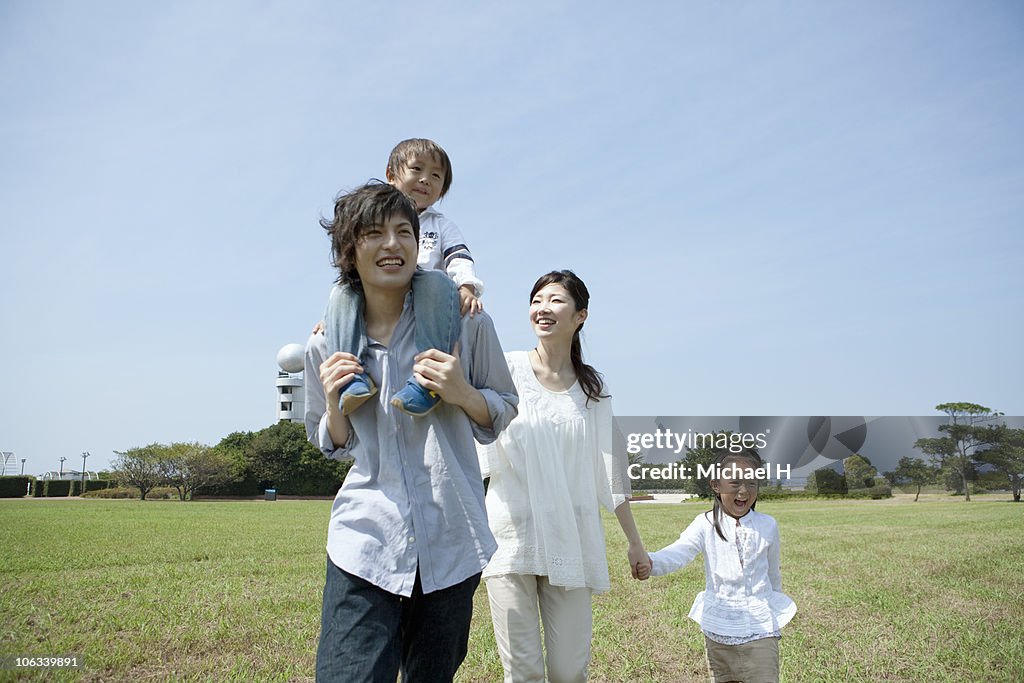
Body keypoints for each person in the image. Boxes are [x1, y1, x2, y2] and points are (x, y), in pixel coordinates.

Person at [304, 181, 518, 683]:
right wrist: (336, 405)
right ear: (348, 250)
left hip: (452, 538)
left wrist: (462, 392)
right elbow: (331, 442)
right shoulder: (327, 347)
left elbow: (503, 410)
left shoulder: (467, 327)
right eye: (374, 233)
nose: (393, 244)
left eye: (405, 232)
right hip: (365, 540)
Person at [478, 269, 651, 683]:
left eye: (555, 300)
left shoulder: (593, 389)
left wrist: (635, 544)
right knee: (522, 670)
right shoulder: (506, 368)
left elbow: (610, 471)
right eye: (537, 299)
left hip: (571, 538)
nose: (542, 308)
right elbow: (473, 441)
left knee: (570, 671)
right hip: (510, 537)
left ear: (580, 316)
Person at [322, 138, 484, 417]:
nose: (425, 180)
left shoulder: (441, 225)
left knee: (433, 280)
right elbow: (350, 266)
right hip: (380, 295)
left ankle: (427, 381)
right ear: (391, 174)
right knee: (343, 292)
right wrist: (334, 318)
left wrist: (466, 286)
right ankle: (352, 378)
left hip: (427, 296)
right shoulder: (369, 212)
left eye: (436, 176)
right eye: (417, 170)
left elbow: (458, 257)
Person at [639, 447, 797, 683]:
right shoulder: (705, 523)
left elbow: (773, 573)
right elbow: (679, 552)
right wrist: (651, 563)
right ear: (716, 485)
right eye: (734, 483)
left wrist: (773, 608)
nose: (743, 491)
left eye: (752, 484)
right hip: (720, 628)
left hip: (761, 627)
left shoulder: (768, 525)